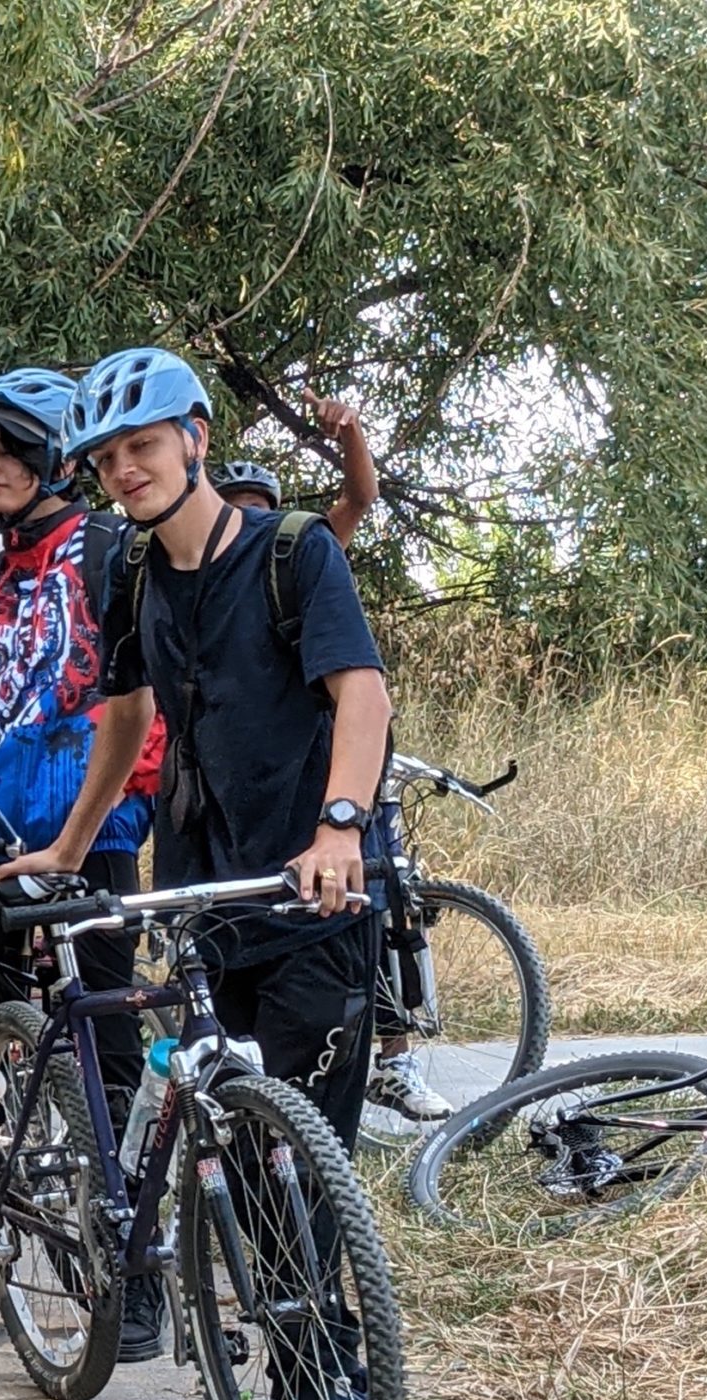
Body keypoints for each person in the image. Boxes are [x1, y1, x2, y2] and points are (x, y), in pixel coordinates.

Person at [0, 346, 392, 1400]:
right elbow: (123, 718)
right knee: (234, 1162)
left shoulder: (291, 553)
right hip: (201, 888)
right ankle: (304, 1389)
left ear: (196, 440)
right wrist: (72, 849)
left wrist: (338, 826)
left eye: (143, 448)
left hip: (314, 897)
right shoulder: (124, 573)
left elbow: (358, 693)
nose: (124, 471)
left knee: (296, 1165)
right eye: (108, 457)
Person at [0, 365, 163, 1355]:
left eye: (10, 445)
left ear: (59, 452)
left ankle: (129, 1274)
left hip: (83, 828)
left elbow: (142, 693)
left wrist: (120, 809)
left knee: (103, 1042)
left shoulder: (108, 548)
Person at [211, 402, 438, 1126]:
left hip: (344, 762)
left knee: (380, 901)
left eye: (260, 507)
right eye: (237, 505)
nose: (248, 517)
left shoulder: (301, 551)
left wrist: (351, 437)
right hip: (266, 787)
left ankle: (394, 1057)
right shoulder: (207, 576)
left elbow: (361, 498)